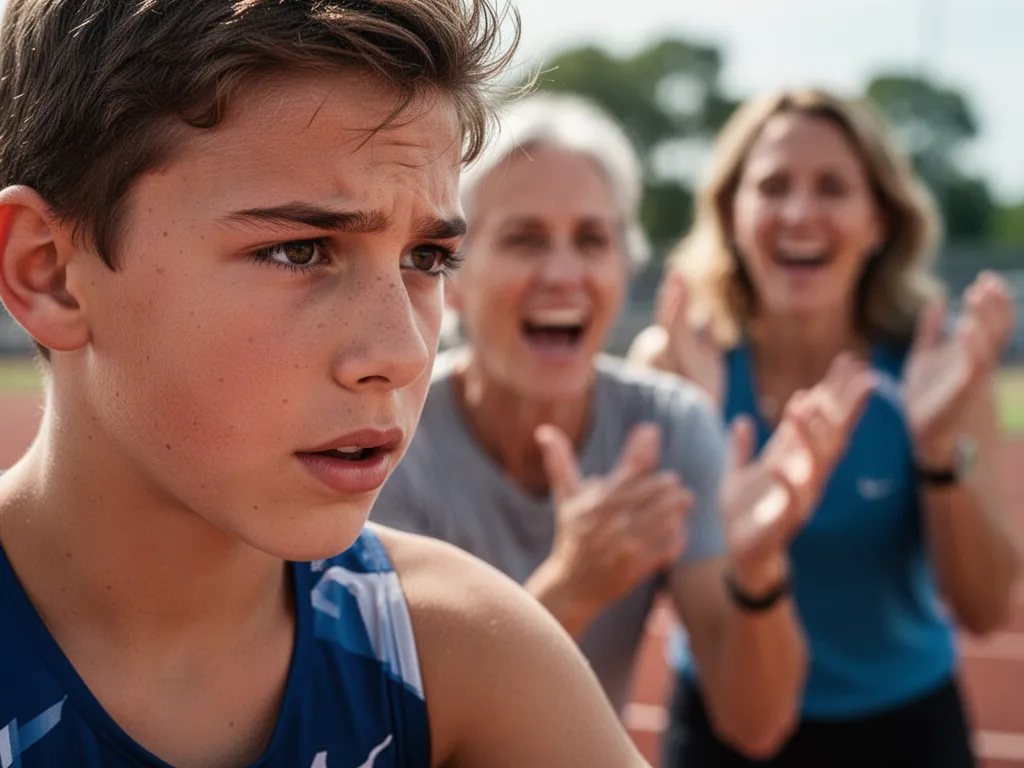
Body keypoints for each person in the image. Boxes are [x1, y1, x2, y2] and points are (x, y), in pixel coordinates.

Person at [0, 2, 675, 766]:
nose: (406, 351)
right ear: (50, 273)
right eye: (300, 250)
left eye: (426, 259)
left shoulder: (459, 650)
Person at [370, 91, 877, 758]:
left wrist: (758, 570)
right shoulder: (387, 432)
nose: (564, 274)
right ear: (450, 279)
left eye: (592, 239)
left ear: (623, 269)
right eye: (524, 239)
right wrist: (568, 589)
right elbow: (386, 734)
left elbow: (755, 723)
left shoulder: (669, 425)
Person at [628, 87, 1021, 767]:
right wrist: (701, 434)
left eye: (832, 187)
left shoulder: (939, 366)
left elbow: (986, 610)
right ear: (731, 214)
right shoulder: (674, 363)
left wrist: (933, 448)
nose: (800, 212)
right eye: (773, 186)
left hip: (905, 727)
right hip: (725, 720)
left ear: (879, 222)